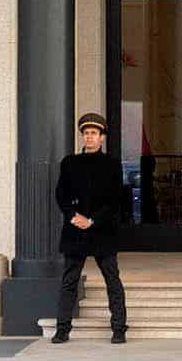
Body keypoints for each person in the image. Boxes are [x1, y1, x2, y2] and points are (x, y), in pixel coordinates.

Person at [50, 112, 127, 344]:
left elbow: (115, 200)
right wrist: (73, 216)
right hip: (75, 229)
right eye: (86, 133)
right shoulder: (69, 163)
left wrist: (92, 220)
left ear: (102, 137)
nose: (90, 137)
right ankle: (62, 329)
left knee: (112, 279)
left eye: (94, 133)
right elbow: (61, 194)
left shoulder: (112, 164)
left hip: (102, 229)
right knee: (69, 281)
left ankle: (119, 328)